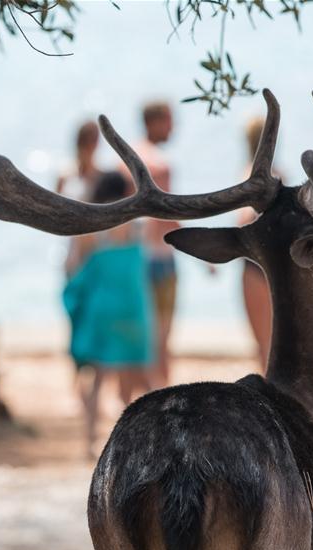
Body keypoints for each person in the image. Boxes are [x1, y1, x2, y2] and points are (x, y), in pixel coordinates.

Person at [63, 172, 155, 459]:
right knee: (139, 379)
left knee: (98, 378)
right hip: (134, 308)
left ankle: (90, 442)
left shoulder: (90, 231)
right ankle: (146, 439)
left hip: (101, 310)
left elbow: (71, 268)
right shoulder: (137, 226)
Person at [123, 102, 180, 387]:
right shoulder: (159, 164)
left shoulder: (125, 161)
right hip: (160, 258)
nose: (173, 128)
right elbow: (168, 217)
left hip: (132, 256)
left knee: (135, 336)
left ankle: (131, 396)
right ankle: (162, 394)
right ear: (155, 122)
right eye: (169, 121)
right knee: (161, 339)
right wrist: (204, 251)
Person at [237, 116, 274, 372]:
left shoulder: (248, 174)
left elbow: (243, 221)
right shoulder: (278, 174)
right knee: (270, 340)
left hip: (256, 267)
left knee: (264, 342)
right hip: (271, 265)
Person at [57, 120, 101, 274]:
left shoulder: (101, 176)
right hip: (73, 245)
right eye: (88, 140)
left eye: (93, 140)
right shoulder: (65, 175)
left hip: (96, 247)